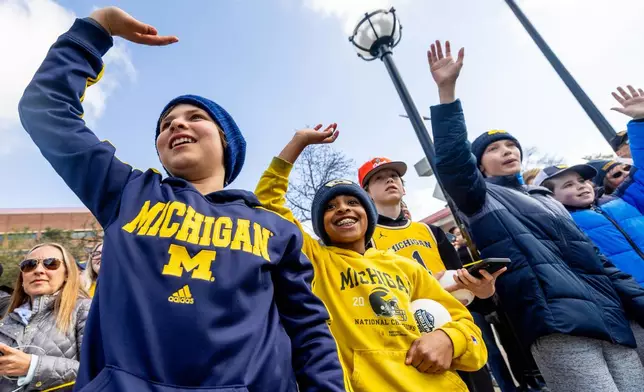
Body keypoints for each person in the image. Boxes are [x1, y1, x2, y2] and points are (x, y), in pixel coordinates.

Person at [19, 7, 345, 391]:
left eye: (195, 117)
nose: (176, 123)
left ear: (226, 141)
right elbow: (46, 110)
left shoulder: (275, 228)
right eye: (165, 124)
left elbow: (309, 332)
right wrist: (98, 27)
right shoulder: (128, 193)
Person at [426, 39, 644, 392]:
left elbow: (595, 260)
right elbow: (452, 163)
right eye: (494, 149)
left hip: (612, 318)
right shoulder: (481, 198)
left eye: (512, 146)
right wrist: (446, 92)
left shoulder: (548, 198)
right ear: (479, 165)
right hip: (556, 324)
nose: (507, 151)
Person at [255, 124, 487, 391]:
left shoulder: (406, 268)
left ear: (369, 215)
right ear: (320, 224)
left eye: (353, 203)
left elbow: (470, 334)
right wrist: (297, 143)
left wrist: (449, 339)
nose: (342, 208)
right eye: (330, 207)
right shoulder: (315, 260)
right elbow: (267, 206)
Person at [357, 157, 500, 392]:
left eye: (394, 176)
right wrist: (425, 293)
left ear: (403, 187)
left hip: (458, 328)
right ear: (367, 193)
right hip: (412, 336)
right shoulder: (365, 239)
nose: (389, 180)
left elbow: (461, 279)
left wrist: (484, 293)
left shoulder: (430, 231)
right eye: (379, 178)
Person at [0, 243, 90, 391]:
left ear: (67, 274)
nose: (39, 270)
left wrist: (33, 366)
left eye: (51, 263)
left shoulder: (86, 309)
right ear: (22, 278)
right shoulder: (8, 321)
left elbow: (101, 370)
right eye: (29, 265)